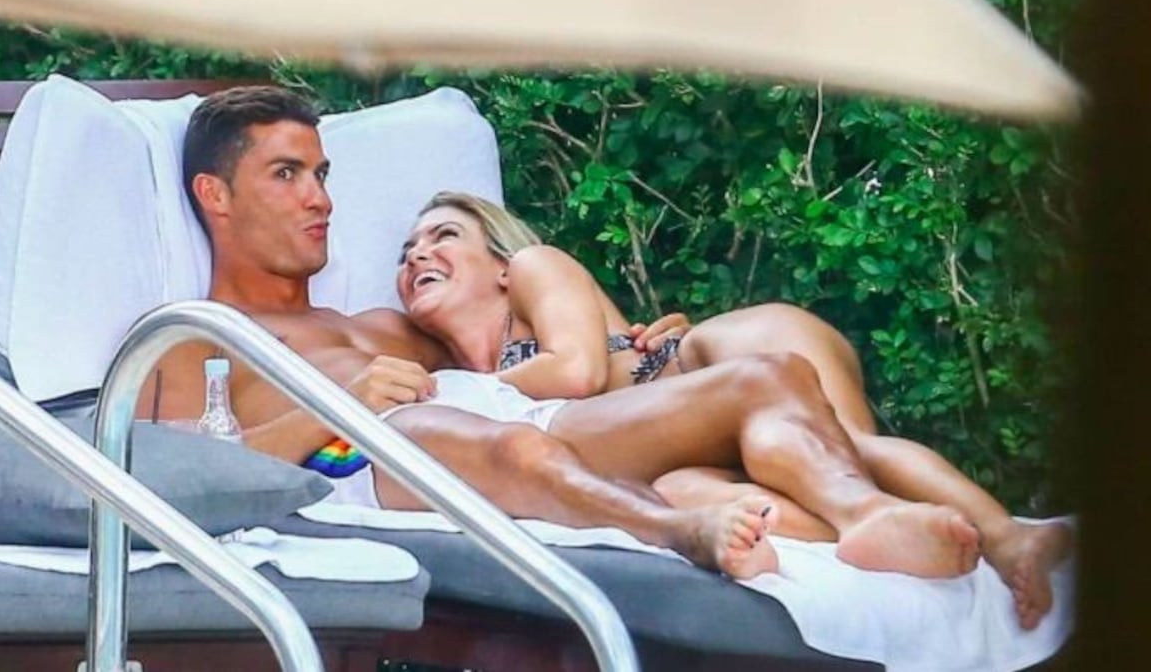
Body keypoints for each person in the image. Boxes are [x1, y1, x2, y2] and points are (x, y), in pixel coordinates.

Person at [143, 85, 981, 582]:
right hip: (372, 460)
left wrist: (644, 349)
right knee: (491, 442)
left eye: (322, 174)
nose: (320, 199)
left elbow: (522, 357)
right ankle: (678, 533)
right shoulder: (196, 337)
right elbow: (173, 479)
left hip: (519, 427)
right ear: (216, 195)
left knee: (764, 377)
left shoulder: (388, 321)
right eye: (286, 174)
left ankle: (870, 517)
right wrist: (339, 407)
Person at [397, 190, 1072, 629]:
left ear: (499, 260)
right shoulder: (460, 376)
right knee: (693, 495)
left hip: (723, 355)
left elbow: (578, 372)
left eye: (444, 235)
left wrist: (462, 393)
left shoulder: (534, 268)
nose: (419, 253)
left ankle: (1008, 537)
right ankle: (897, 536)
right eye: (407, 253)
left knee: (847, 452)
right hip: (692, 432)